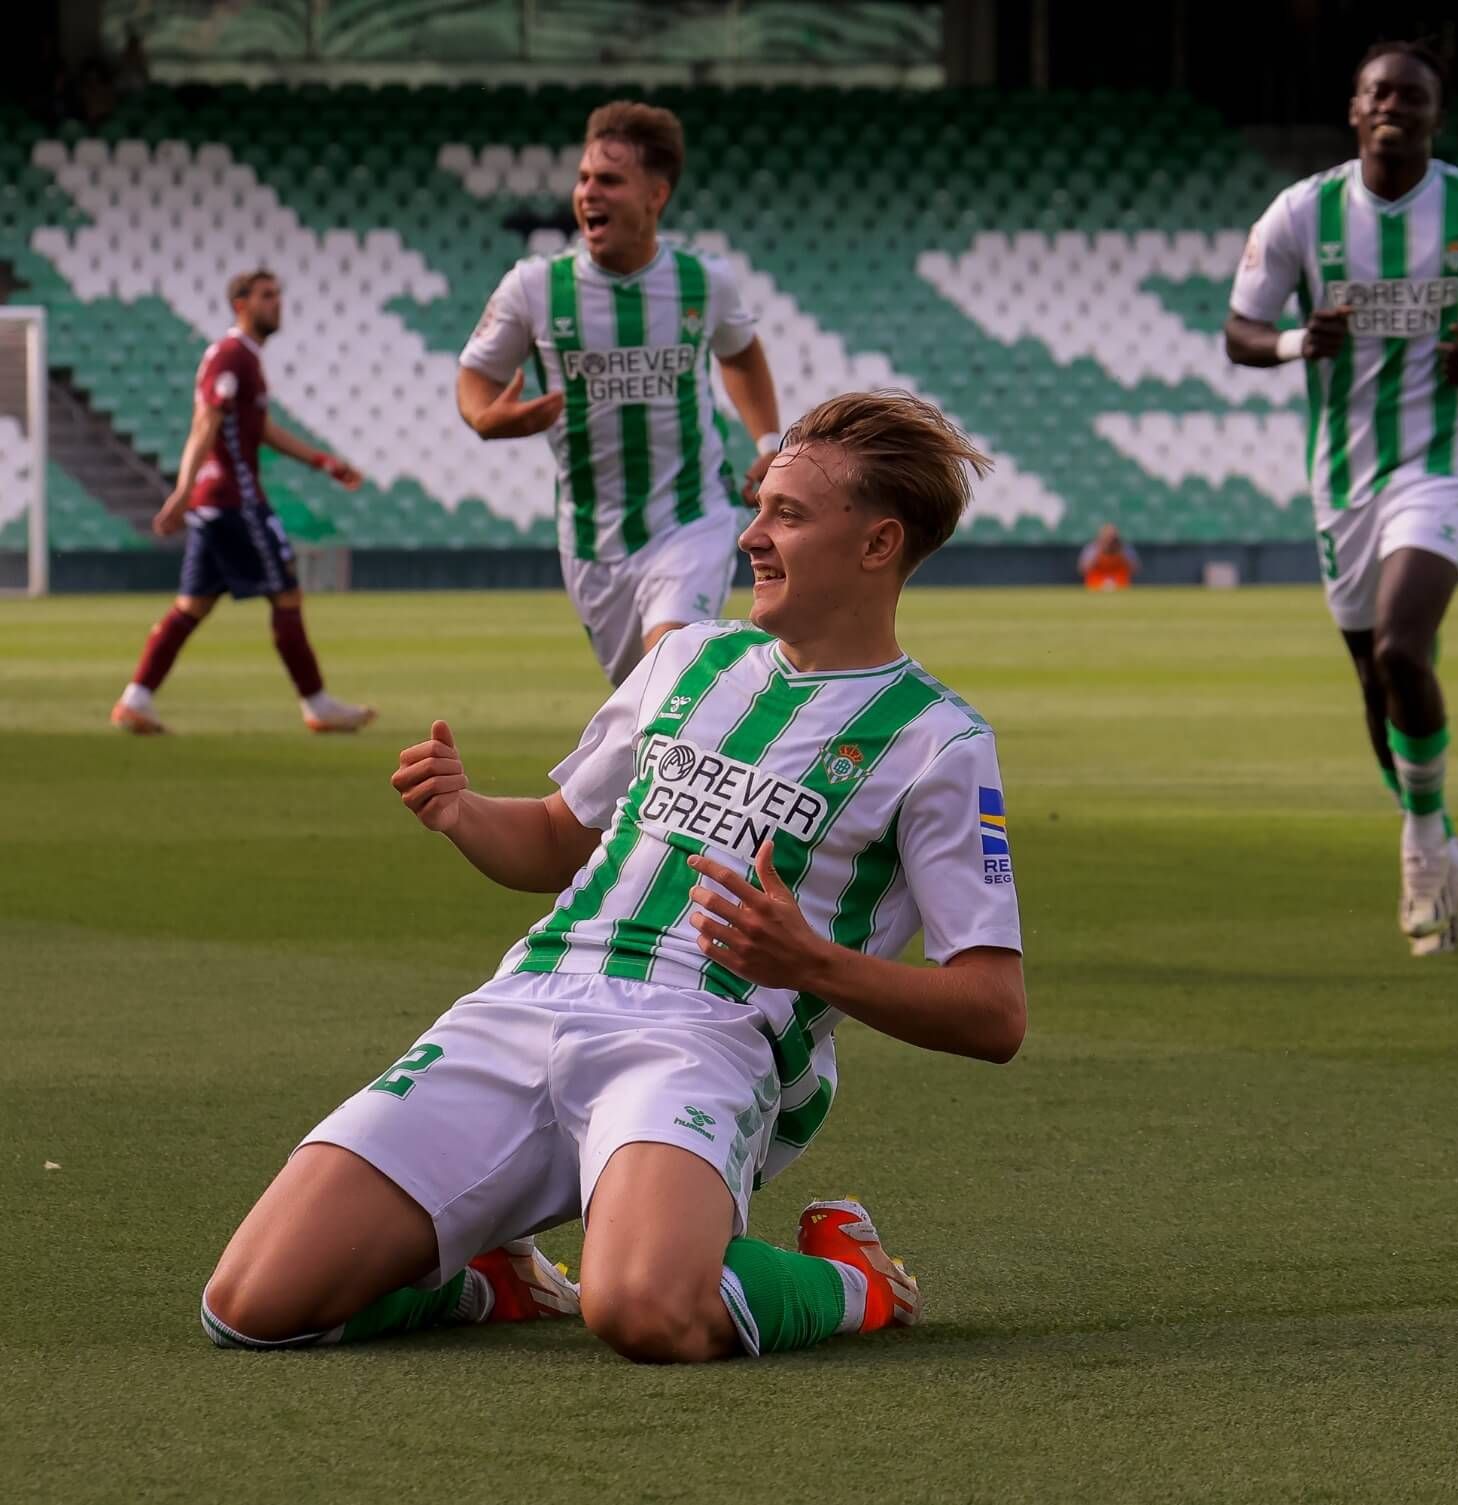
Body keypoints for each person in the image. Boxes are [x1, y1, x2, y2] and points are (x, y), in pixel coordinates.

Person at [199, 390, 1027, 1363]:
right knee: (250, 1305)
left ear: (878, 543)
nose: (752, 535)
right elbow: (558, 838)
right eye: (758, 507)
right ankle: (483, 1279)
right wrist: (467, 813)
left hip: (699, 1038)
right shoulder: (686, 658)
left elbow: (993, 1010)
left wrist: (810, 961)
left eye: (787, 515)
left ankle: (855, 1279)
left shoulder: (938, 739)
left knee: (643, 1310)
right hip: (527, 1002)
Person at [1224, 39, 1458, 956]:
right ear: (1354, 108)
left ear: (1434, 115)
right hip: (1344, 472)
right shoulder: (1304, 211)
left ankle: (1420, 849)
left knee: (1404, 648)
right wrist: (1302, 343)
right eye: (1378, 93)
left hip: (1447, 458)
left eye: (1411, 96)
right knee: (1375, 680)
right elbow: (1240, 331)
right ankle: (1443, 836)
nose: (1393, 107)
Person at [457, 100, 782, 686]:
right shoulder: (534, 286)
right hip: (591, 537)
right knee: (641, 698)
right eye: (583, 179)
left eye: (609, 180)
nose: (587, 193)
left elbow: (741, 355)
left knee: (671, 667)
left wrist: (767, 439)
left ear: (656, 196)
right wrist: (485, 417)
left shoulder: (702, 280)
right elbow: (476, 376)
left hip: (692, 513)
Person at [110, 270, 376, 736]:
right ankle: (317, 704)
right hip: (236, 502)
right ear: (241, 304)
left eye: (278, 294)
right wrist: (181, 490)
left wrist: (322, 462)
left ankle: (135, 699)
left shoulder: (243, 359)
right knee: (286, 594)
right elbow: (205, 423)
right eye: (267, 296)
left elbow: (261, 429)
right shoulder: (233, 356)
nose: (277, 303)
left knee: (191, 605)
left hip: (217, 505)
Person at [1077, 523, 1140, 591]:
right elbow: (1083, 569)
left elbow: (1135, 569)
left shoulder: (1125, 548)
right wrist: (1100, 551)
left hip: (1121, 586)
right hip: (1095, 586)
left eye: (1112, 537)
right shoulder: (1092, 548)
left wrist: (1120, 552)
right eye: (1107, 537)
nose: (1109, 540)